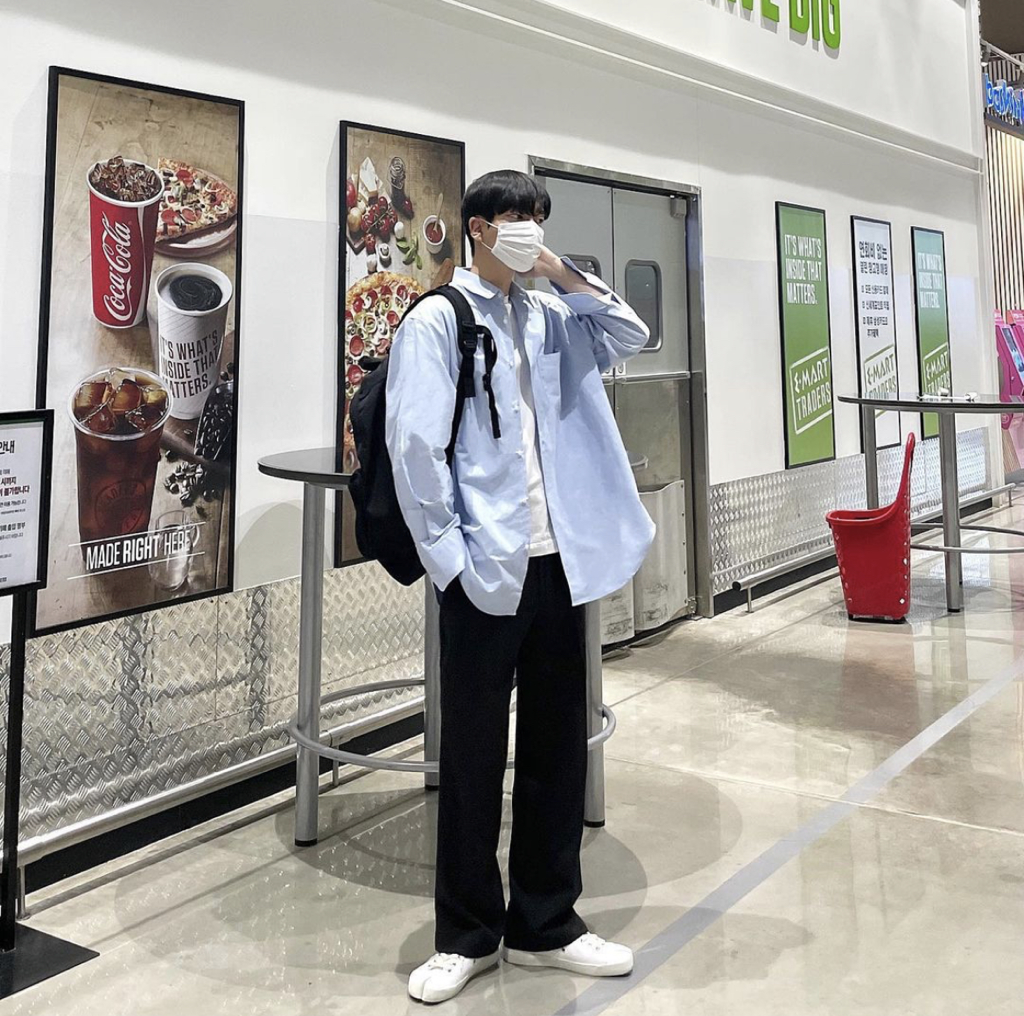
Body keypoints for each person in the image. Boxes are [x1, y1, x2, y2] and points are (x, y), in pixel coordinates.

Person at [385, 170, 655, 1005]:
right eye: (513, 216)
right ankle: (466, 935)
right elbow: (414, 448)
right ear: (476, 227)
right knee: (472, 755)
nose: (528, 227)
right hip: (484, 566)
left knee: (556, 748)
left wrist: (561, 271)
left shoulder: (549, 313)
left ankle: (548, 923)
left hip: (559, 562)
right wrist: (449, 561)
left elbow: (632, 332)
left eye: (538, 216)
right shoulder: (440, 319)